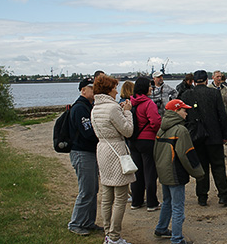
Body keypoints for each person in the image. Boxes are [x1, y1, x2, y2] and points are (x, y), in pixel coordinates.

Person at [91, 75, 135, 244]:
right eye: (115, 88)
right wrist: (127, 112)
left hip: (102, 149)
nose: (117, 91)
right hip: (116, 150)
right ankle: (114, 236)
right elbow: (127, 131)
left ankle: (108, 233)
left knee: (107, 195)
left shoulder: (95, 108)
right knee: (120, 197)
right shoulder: (112, 108)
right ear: (108, 90)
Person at [153, 99, 205, 244]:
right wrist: (199, 173)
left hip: (163, 171)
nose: (186, 113)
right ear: (176, 111)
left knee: (167, 202)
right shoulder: (181, 130)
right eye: (184, 110)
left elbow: (156, 152)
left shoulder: (161, 129)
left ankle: (161, 228)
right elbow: (187, 154)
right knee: (178, 207)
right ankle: (177, 239)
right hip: (175, 172)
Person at [181, 70, 227, 207]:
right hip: (214, 136)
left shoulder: (187, 95)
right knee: (218, 167)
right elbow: (222, 115)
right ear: (206, 80)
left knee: (201, 167)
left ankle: (202, 197)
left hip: (196, 137)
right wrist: (226, 135)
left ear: (194, 81)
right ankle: (223, 195)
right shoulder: (214, 93)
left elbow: (183, 117)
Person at [67, 78, 103, 236]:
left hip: (89, 152)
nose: (94, 91)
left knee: (93, 189)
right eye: (91, 88)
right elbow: (87, 132)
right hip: (82, 152)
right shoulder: (80, 108)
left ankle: (88, 221)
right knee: (86, 190)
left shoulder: (88, 106)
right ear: (83, 90)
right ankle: (75, 223)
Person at [129, 77, 162, 212]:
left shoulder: (131, 102)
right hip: (147, 140)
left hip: (133, 140)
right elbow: (155, 122)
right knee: (150, 172)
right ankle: (151, 202)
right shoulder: (148, 103)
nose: (151, 88)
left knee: (137, 172)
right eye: (149, 85)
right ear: (144, 87)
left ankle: (136, 201)